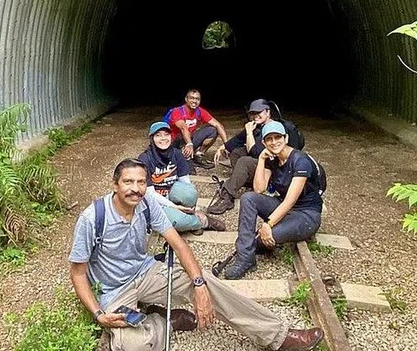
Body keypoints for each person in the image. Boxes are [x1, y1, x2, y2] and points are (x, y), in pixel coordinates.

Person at [68, 158, 324, 351]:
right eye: (128, 182)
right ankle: (166, 321)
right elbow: (78, 274)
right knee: (133, 348)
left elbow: (179, 244)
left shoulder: (146, 204)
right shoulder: (93, 218)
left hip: (145, 273)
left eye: (140, 182)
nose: (135, 188)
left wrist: (199, 284)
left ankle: (278, 337)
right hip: (115, 290)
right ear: (115, 185)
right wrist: (98, 314)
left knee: (207, 284)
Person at [220, 121, 324, 279]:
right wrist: (261, 159)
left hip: (305, 214)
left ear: (286, 138)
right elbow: (259, 189)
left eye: (278, 137)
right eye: (269, 139)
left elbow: (290, 200)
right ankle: (246, 258)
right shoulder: (271, 158)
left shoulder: (300, 160)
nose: (274, 142)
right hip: (284, 209)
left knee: (266, 237)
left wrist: (268, 225)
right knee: (248, 198)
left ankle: (252, 244)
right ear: (264, 142)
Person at [207, 99, 305, 215]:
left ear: (268, 112)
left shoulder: (277, 127)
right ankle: (246, 180)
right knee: (236, 153)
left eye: (259, 112)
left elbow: (255, 153)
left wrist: (249, 133)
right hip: (264, 162)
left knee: (244, 161)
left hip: (276, 167)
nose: (255, 116)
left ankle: (228, 194)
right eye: (252, 113)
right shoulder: (257, 126)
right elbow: (238, 139)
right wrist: (223, 147)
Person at [138, 121, 225, 234]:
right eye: (158, 135)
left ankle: (191, 213)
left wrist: (194, 206)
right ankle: (202, 222)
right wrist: (174, 206)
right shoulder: (145, 159)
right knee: (177, 221)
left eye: (166, 134)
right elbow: (150, 194)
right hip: (156, 200)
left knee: (190, 192)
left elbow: (185, 182)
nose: (163, 138)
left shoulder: (176, 153)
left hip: (171, 191)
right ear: (152, 138)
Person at [167, 89, 229, 168]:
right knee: (185, 166)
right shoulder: (177, 111)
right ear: (186, 99)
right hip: (174, 143)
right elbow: (183, 128)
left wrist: (227, 145)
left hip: (188, 140)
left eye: (197, 99)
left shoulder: (199, 111)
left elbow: (218, 125)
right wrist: (189, 144)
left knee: (213, 130)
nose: (194, 101)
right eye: (192, 98)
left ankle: (198, 155)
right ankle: (181, 156)